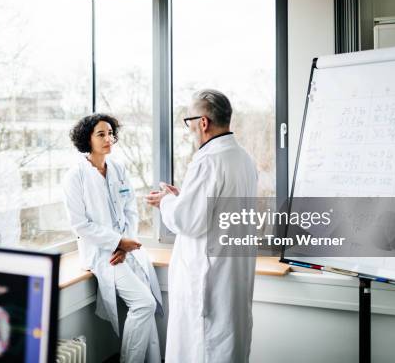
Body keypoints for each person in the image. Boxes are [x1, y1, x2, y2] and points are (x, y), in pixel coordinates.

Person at [146, 89, 258, 363]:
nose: (189, 130)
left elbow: (188, 221)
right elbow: (216, 208)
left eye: (189, 122)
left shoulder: (208, 160)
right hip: (231, 278)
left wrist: (166, 202)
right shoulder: (242, 158)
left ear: (203, 122)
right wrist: (182, 197)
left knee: (203, 350)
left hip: (207, 283)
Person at [62, 113, 163, 363]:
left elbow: (131, 210)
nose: (109, 138)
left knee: (146, 307)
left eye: (110, 133)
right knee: (144, 304)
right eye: (101, 134)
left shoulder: (119, 169)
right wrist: (117, 243)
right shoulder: (75, 176)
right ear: (88, 138)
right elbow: (80, 224)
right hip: (101, 254)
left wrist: (125, 244)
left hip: (125, 249)